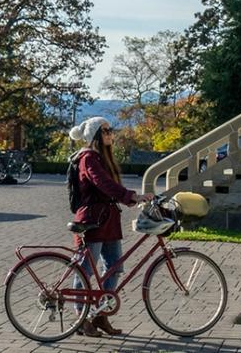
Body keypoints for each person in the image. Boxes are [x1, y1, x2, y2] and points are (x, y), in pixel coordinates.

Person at [69, 116, 153, 337]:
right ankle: (81, 318)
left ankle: (100, 314)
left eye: (110, 129)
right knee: (86, 270)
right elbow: (103, 184)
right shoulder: (88, 158)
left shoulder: (102, 159)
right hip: (92, 222)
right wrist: (131, 196)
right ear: (95, 135)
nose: (110, 134)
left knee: (115, 268)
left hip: (108, 221)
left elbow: (111, 186)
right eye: (105, 130)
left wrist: (133, 198)